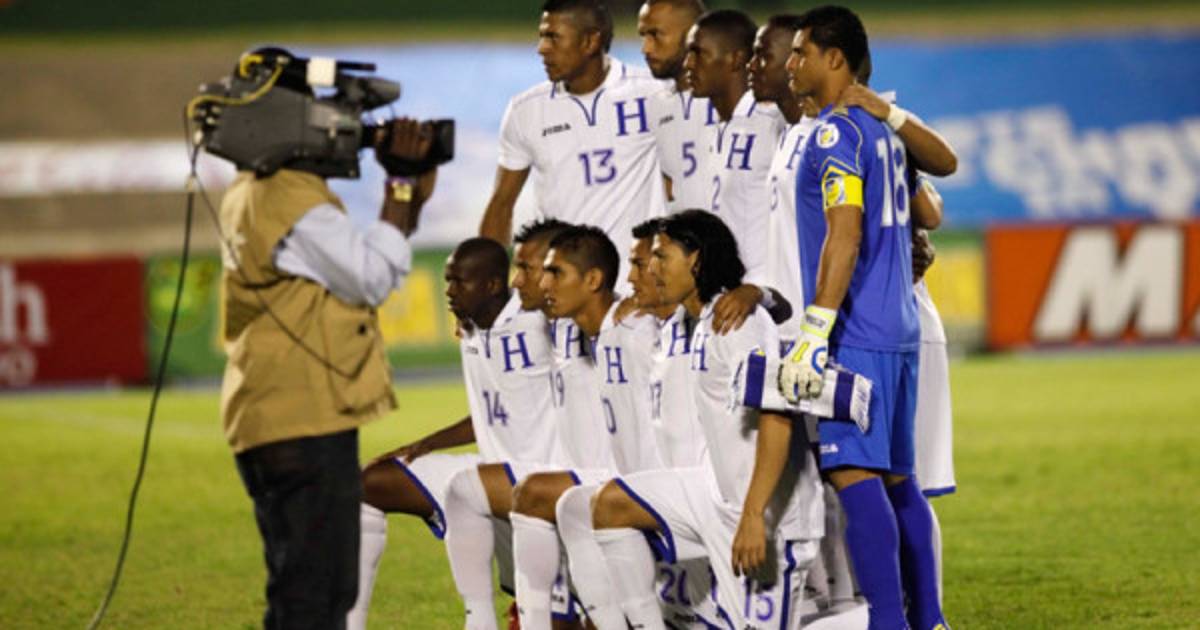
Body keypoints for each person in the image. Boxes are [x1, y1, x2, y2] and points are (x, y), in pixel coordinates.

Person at [217, 50, 440, 628]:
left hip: (282, 411)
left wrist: (408, 194)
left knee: (312, 592)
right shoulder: (286, 193)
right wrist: (399, 184)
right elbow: (371, 277)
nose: (339, 132)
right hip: (300, 416)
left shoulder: (257, 189)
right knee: (315, 599)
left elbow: (361, 266)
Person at [780, 6, 950, 630]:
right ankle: (928, 619)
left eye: (800, 52)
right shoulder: (883, 132)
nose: (790, 62)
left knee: (854, 474)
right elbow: (931, 209)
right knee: (901, 480)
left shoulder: (834, 134)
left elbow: (844, 235)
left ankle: (887, 622)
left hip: (856, 333)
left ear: (834, 58)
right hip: (899, 329)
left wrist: (815, 331)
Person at [586, 210, 822, 630]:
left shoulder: (739, 322)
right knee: (608, 504)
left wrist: (754, 516)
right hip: (715, 498)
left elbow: (776, 415)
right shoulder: (701, 320)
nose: (651, 269)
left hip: (770, 520)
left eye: (661, 257)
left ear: (695, 259)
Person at [345, 237, 559, 630]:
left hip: (543, 480)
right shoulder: (472, 331)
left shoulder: (538, 320)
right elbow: (491, 413)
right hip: (491, 472)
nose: (449, 290)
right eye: (447, 280)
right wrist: (426, 445)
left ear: (491, 285)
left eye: (459, 281)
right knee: (371, 482)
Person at [441, 219, 591, 630]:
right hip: (528, 479)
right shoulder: (522, 324)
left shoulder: (606, 324)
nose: (518, 280)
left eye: (529, 268)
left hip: (582, 480)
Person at [479, 0, 667, 290]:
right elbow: (501, 204)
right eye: (542, 36)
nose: (542, 48)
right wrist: (487, 287)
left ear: (590, 41)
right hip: (560, 291)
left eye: (553, 37)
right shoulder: (525, 110)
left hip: (637, 289)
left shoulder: (653, 92)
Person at [684, 9, 784, 286]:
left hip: (771, 296)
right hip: (727, 295)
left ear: (736, 59)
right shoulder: (713, 128)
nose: (688, 63)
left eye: (698, 53)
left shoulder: (772, 122)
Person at [637, 0, 715, 211]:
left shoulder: (733, 97)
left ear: (693, 34)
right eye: (643, 36)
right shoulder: (656, 106)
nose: (645, 48)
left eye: (656, 35)